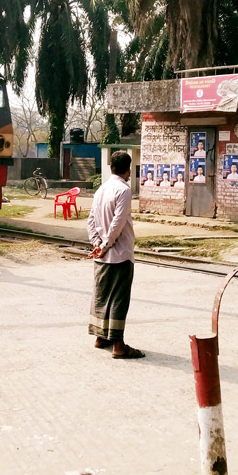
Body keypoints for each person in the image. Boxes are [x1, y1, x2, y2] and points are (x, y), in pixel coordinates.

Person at [87, 150, 143, 359]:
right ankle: (118, 345)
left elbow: (91, 220)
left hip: (102, 254)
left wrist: (97, 243)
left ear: (111, 168)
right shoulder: (124, 190)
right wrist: (107, 244)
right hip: (120, 254)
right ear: (128, 169)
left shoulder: (101, 189)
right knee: (119, 298)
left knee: (102, 295)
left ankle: (101, 337)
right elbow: (118, 223)